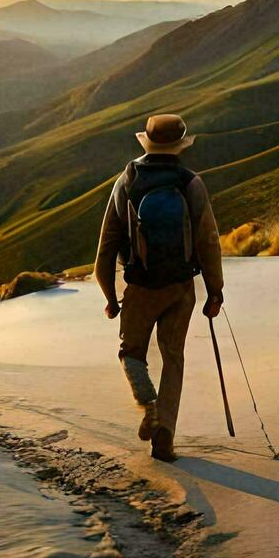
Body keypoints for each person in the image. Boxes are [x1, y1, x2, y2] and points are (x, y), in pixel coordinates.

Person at [95, 114, 224, 461]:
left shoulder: (128, 180)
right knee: (173, 359)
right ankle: (164, 436)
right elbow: (209, 241)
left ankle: (147, 402)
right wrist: (215, 291)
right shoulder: (190, 183)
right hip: (180, 287)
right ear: (181, 144)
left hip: (139, 286)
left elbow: (106, 245)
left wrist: (110, 297)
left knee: (131, 353)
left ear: (147, 143)